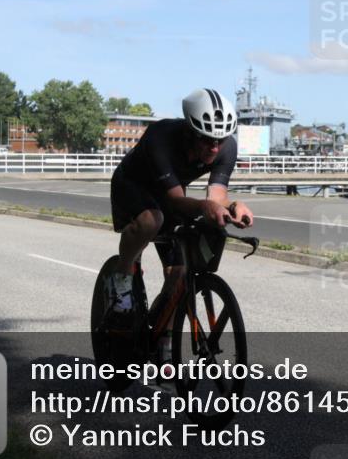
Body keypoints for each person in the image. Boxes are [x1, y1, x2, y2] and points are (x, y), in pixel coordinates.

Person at [108, 88, 254, 315]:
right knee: (152, 220)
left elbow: (216, 197)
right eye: (207, 140)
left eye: (220, 140)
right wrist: (205, 207)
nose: (214, 148)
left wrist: (233, 206)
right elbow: (176, 201)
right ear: (189, 131)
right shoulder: (161, 137)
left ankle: (161, 333)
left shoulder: (227, 148)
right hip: (133, 184)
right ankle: (121, 279)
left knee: (179, 273)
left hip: (170, 192)